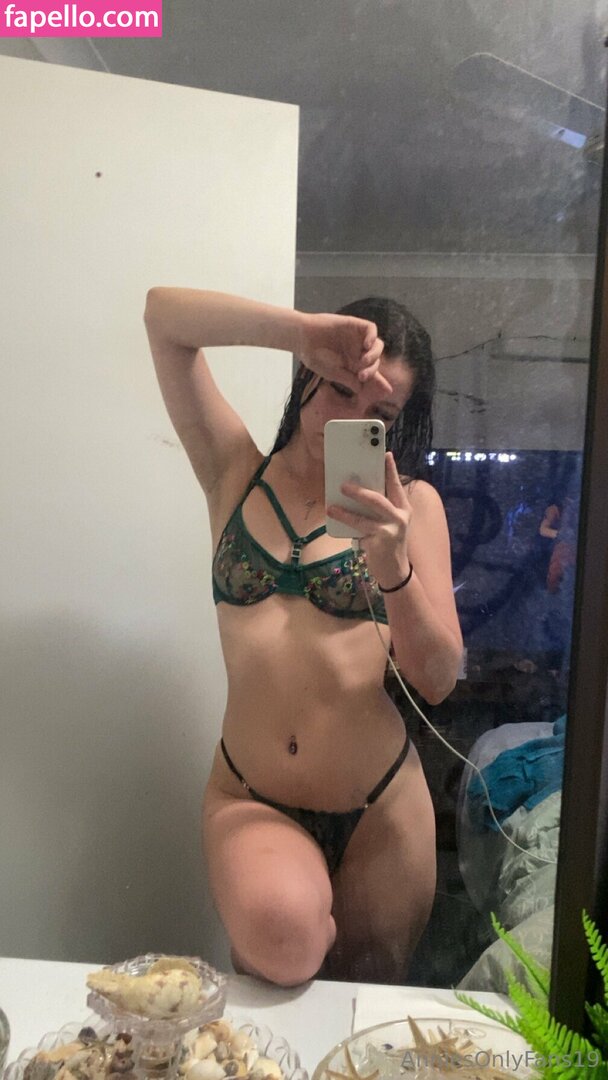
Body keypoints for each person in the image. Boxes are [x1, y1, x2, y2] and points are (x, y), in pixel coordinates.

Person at [143, 289, 463, 986]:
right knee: (281, 937)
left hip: (382, 809)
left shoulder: (412, 508)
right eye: (340, 389)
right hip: (252, 796)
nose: (350, 418)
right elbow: (163, 320)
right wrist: (299, 331)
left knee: (366, 1008)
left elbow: (438, 679)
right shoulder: (234, 470)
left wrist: (394, 568)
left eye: (377, 414)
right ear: (312, 373)